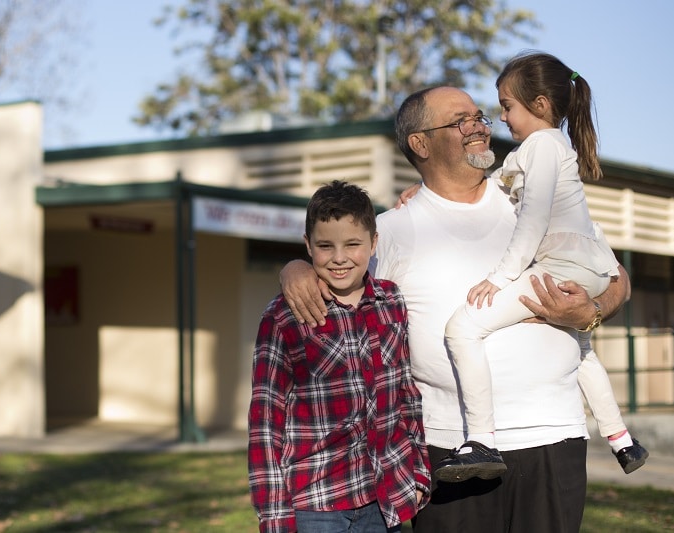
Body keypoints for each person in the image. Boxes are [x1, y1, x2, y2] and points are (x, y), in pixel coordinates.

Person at [280, 86, 630, 532]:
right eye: (460, 121)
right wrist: (294, 268)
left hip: (553, 437)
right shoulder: (391, 231)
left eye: (479, 117)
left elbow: (616, 274)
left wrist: (591, 312)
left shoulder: (530, 197)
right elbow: (336, 271)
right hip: (448, 448)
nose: (480, 127)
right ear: (420, 144)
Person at [427, 51, 648, 482]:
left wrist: (500, 277)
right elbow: (495, 186)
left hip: (563, 263)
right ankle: (622, 440)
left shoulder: (544, 145)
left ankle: (481, 441)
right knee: (581, 350)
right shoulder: (540, 149)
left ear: (541, 105)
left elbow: (533, 220)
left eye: (507, 106)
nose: (502, 117)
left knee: (463, 328)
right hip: (586, 264)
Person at [248, 180, 430, 533]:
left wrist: (418, 471)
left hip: (383, 498)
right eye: (325, 246)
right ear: (307, 246)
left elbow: (406, 392)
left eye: (353, 244)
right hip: (315, 504)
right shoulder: (284, 316)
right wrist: (274, 517)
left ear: (374, 244)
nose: (340, 257)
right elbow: (265, 422)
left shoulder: (392, 302)